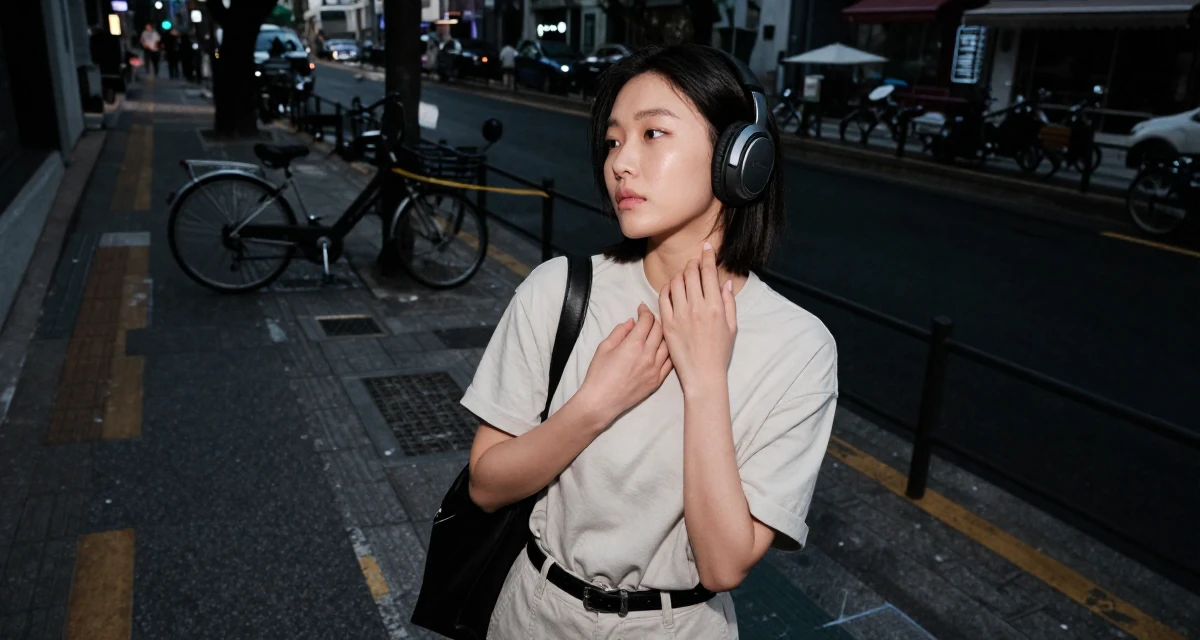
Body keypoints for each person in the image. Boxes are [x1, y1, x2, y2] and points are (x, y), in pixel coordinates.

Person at [460, 44, 837, 639]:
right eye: (613, 141)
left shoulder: (800, 348)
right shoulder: (558, 290)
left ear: (740, 159)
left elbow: (723, 563)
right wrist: (593, 405)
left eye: (652, 133)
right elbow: (485, 487)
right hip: (532, 614)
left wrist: (706, 378)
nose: (620, 163)